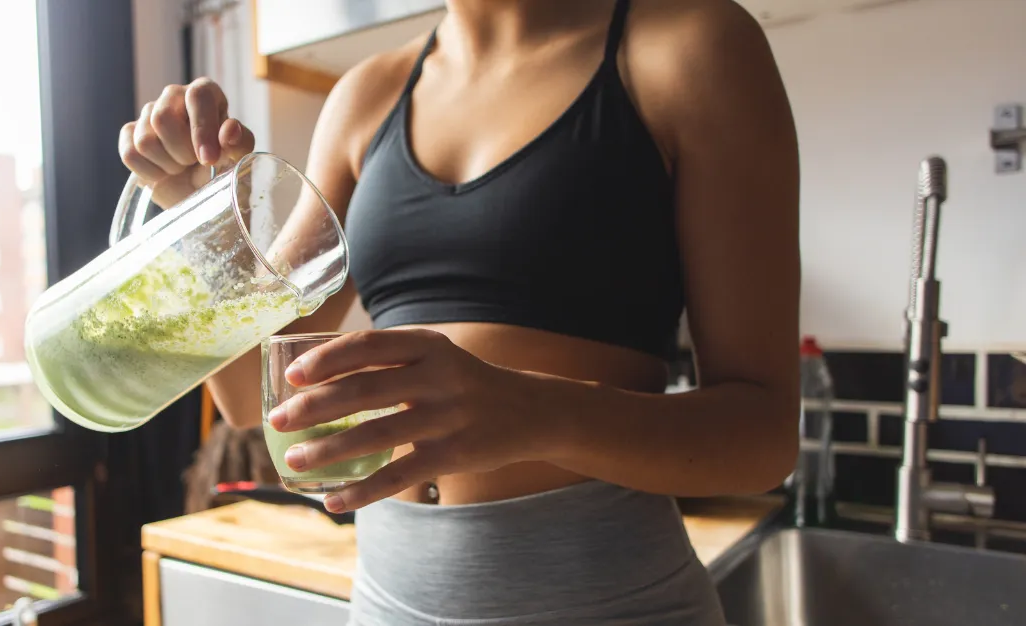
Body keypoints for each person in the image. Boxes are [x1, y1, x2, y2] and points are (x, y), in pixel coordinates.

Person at [120, 0, 800, 623]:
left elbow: (763, 440)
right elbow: (249, 396)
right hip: (389, 604)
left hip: (609, 604)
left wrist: (538, 413)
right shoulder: (365, 97)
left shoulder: (690, 49)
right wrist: (192, 214)